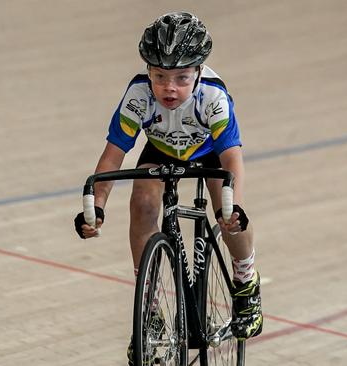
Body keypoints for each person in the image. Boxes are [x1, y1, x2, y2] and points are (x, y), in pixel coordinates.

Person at [74, 11, 263, 363]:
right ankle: (151, 310)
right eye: (159, 76)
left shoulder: (213, 97)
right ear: (148, 72)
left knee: (228, 215)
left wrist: (232, 205)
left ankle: (245, 280)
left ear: (199, 72)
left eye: (181, 77)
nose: (169, 87)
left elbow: (232, 159)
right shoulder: (138, 95)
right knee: (143, 204)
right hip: (160, 148)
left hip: (208, 150)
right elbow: (113, 155)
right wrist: (96, 207)